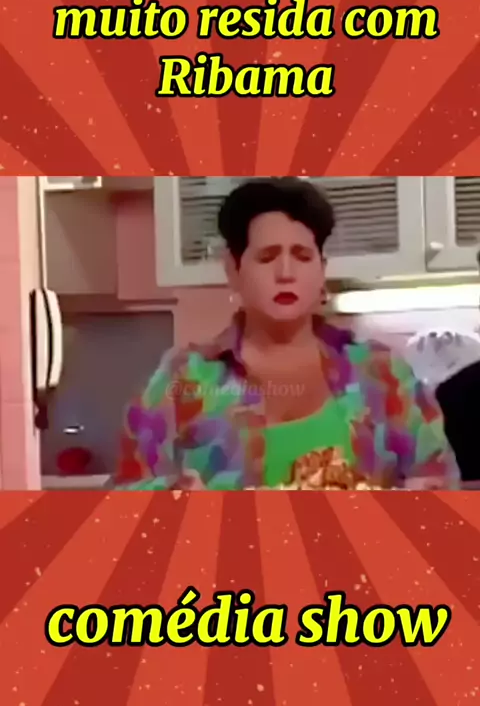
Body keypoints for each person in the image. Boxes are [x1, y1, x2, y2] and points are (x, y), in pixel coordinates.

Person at [115, 177, 459, 491]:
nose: (285, 273)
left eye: (302, 256)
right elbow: (124, 496)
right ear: (233, 269)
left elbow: (438, 480)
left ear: (321, 269)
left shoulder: (384, 374)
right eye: (267, 257)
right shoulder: (185, 379)